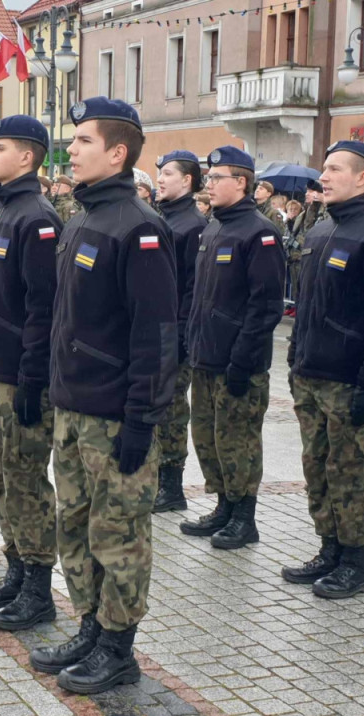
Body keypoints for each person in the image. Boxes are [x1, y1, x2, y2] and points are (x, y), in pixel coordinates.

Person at [28, 97, 177, 695]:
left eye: (84, 140)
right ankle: (90, 625)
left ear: (117, 153)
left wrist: (144, 417)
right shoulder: (82, 218)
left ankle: (118, 646)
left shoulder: (140, 226)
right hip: (73, 407)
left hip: (115, 414)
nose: (73, 149)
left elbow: (158, 333)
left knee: (119, 534)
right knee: (77, 527)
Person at [282, 141, 364, 598]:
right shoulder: (321, 231)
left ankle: (357, 563)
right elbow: (307, 305)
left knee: (351, 472)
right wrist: (295, 357)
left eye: (334, 169)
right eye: (324, 168)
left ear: (363, 178)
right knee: (317, 468)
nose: (324, 176)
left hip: (350, 380)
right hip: (312, 375)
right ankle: (329, 549)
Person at [0, 115, 60, 630]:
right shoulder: (3, 211)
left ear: (27, 157)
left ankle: (39, 586)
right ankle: (17, 569)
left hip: (17, 377)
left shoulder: (36, 217)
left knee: (24, 480)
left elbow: (42, 309)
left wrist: (31, 378)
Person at [179, 146, 286, 549]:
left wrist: (242, 359)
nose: (208, 184)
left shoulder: (259, 232)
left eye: (216, 177)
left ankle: (244, 516)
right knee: (208, 438)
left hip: (238, 363)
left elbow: (266, 305)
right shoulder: (214, 227)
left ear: (241, 182)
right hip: (206, 357)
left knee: (238, 441)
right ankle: (224, 504)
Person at [153, 150, 207, 513]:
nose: (159, 178)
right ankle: (159, 479)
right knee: (156, 405)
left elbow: (192, 288)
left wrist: (183, 336)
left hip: (174, 333)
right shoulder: (162, 218)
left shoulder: (192, 224)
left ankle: (172, 487)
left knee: (171, 409)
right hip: (153, 331)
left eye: (167, 173)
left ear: (187, 181)